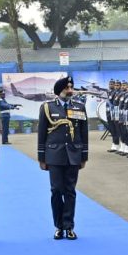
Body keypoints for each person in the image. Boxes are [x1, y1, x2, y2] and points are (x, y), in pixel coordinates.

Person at [37, 76, 89, 239]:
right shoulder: (47, 107)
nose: (70, 90)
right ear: (59, 90)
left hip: (73, 154)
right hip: (54, 155)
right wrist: (41, 157)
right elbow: (42, 133)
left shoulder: (79, 107)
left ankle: (69, 226)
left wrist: (84, 155)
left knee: (70, 191)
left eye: (71, 87)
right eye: (67, 88)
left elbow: (83, 132)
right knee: (56, 191)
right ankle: (58, 226)